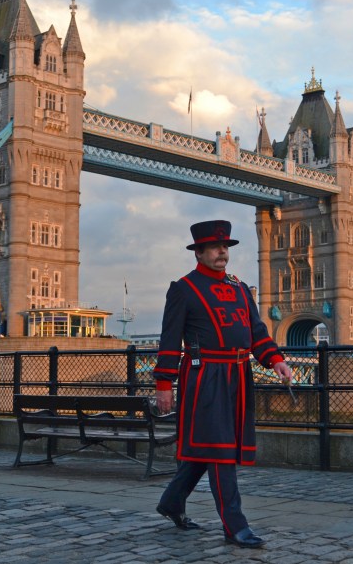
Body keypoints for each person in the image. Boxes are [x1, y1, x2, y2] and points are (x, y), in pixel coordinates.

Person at [153, 219, 292, 549]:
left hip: (240, 378)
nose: (222, 252)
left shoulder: (241, 289)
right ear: (198, 252)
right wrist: (163, 385)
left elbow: (257, 334)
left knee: (210, 448)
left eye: (225, 247)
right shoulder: (183, 289)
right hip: (205, 378)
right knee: (220, 452)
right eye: (215, 247)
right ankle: (235, 525)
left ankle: (172, 502)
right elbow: (170, 340)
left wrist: (277, 361)